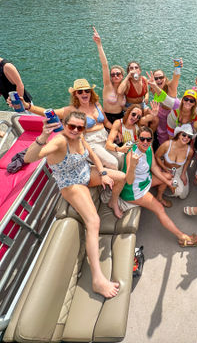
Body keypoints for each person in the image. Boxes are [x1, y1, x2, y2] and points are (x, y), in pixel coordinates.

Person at [24, 111, 126, 297]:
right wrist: (43, 136)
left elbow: (93, 154)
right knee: (94, 222)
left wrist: (102, 172)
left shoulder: (79, 137)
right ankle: (97, 279)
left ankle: (112, 202)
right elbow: (29, 158)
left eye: (80, 127)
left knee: (121, 177)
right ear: (64, 124)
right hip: (72, 183)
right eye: (71, 126)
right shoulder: (60, 141)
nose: (76, 130)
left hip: (86, 173)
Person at [119, 126, 197, 247]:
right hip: (133, 189)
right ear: (137, 139)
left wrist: (168, 183)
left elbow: (154, 168)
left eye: (148, 139)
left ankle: (160, 197)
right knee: (159, 209)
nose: (145, 142)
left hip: (145, 180)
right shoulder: (132, 155)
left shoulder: (148, 148)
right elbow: (129, 181)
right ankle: (182, 237)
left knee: (168, 177)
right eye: (142, 139)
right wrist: (132, 166)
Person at [18, 79, 119, 170]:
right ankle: (108, 185)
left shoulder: (96, 104)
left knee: (121, 157)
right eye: (80, 92)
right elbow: (48, 111)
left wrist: (118, 130)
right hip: (91, 143)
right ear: (75, 94)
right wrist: (28, 106)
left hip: (105, 138)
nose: (84, 93)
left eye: (87, 91)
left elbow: (106, 122)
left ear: (90, 92)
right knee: (113, 163)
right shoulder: (72, 110)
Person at [146, 72, 197, 138]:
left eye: (191, 101)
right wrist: (154, 86)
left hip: (185, 131)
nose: (188, 102)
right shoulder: (176, 106)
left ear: (195, 103)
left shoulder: (196, 112)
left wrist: (177, 67)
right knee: (162, 135)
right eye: (186, 99)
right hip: (166, 116)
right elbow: (163, 97)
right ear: (182, 100)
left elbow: (176, 78)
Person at [105, 103, 159, 168]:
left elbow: (152, 118)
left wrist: (153, 115)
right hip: (131, 155)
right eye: (133, 114)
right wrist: (120, 149)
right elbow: (108, 144)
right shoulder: (118, 123)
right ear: (128, 112)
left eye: (138, 117)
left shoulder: (139, 122)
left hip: (143, 149)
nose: (135, 118)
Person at [92, 26, 126, 124]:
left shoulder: (124, 87)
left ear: (122, 76)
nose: (115, 76)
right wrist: (99, 44)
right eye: (113, 74)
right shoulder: (107, 85)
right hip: (107, 118)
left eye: (118, 74)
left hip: (121, 117)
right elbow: (105, 64)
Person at [155, 123, 194, 204]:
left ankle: (169, 184)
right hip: (166, 168)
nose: (186, 138)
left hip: (179, 170)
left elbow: (188, 161)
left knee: (182, 195)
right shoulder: (167, 145)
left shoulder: (189, 151)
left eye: (189, 136)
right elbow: (157, 156)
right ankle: (166, 186)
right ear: (179, 135)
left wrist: (183, 173)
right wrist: (165, 169)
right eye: (184, 134)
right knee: (175, 188)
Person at [151, 61, 182, 145]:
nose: (159, 80)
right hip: (161, 115)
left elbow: (176, 76)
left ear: (165, 78)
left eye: (161, 77)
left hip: (173, 115)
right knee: (162, 135)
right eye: (156, 78)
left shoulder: (171, 86)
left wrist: (177, 66)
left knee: (174, 136)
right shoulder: (153, 88)